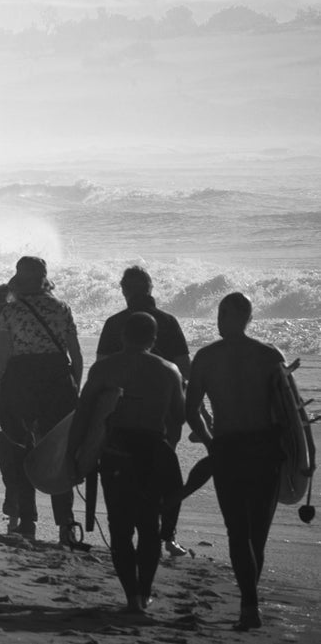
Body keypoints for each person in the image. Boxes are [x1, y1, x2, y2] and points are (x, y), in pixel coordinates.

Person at [186, 292, 289, 631]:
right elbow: (288, 413)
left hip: (229, 448)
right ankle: (249, 603)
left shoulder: (205, 357)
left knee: (239, 531)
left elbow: (192, 410)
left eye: (222, 313)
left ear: (239, 317)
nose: (218, 318)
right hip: (264, 449)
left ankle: (249, 604)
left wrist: (212, 443)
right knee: (255, 532)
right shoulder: (270, 355)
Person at [81, 310, 187, 616]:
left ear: (123, 337)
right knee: (149, 527)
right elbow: (179, 417)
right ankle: (144, 593)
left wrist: (75, 453)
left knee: (120, 528)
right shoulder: (170, 371)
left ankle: (130, 598)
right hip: (153, 451)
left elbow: (84, 414)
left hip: (116, 452)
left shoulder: (104, 369)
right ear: (153, 340)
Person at [98, 265, 194, 558]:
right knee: (165, 475)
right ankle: (167, 535)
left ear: (124, 290)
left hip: (120, 416)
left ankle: (131, 530)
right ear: (150, 289)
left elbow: (101, 371)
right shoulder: (167, 321)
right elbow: (185, 370)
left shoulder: (115, 323)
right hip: (163, 414)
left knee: (125, 476)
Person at [0, 255, 85, 546]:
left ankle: (28, 521)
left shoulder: (10, 311)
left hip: (20, 382)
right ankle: (66, 526)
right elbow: (77, 356)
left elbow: (2, 358)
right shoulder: (62, 308)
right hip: (58, 381)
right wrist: (75, 389)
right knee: (59, 455)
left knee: (21, 450)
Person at [0, 283, 32, 536]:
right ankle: (20, 518)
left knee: (9, 465)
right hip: (24, 406)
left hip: (0, 408)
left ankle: (16, 518)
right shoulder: (28, 334)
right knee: (21, 464)